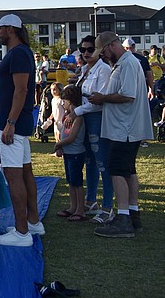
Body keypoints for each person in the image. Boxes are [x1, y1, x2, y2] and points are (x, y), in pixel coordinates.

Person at [89, 31, 153, 238]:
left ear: (111, 46)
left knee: (116, 170)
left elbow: (127, 95)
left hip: (124, 128)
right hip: (126, 127)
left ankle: (123, 218)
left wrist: (102, 98)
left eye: (103, 51)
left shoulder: (126, 64)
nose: (104, 56)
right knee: (128, 170)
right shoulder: (125, 63)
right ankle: (132, 214)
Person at [0, 14, 45, 247]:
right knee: (24, 172)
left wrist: (10, 123)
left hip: (13, 124)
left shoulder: (18, 53)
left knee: (13, 175)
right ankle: (32, 222)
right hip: (17, 123)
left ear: (10, 29)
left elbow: (21, 90)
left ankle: (22, 232)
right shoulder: (20, 53)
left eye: (0, 29)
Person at [69, 35, 114, 225]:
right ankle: (90, 200)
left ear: (98, 50)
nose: (86, 53)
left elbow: (98, 100)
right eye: (83, 50)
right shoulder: (85, 69)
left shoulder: (103, 69)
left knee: (102, 162)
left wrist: (76, 111)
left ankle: (107, 207)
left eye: (90, 49)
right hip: (85, 119)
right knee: (90, 161)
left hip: (96, 118)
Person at [53, 85, 87, 222]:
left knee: (77, 182)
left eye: (65, 101)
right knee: (71, 182)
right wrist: (61, 146)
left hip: (76, 153)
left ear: (71, 100)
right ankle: (73, 207)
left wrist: (58, 144)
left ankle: (80, 209)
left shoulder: (78, 118)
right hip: (68, 152)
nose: (63, 104)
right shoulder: (67, 116)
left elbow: (72, 137)